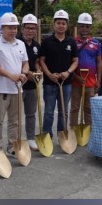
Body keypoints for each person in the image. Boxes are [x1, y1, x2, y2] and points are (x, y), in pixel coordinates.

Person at [0, 13, 29, 155]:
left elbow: (25, 64)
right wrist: (10, 75)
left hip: (17, 89)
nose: (13, 30)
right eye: (9, 27)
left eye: (15, 28)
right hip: (2, 90)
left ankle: (12, 146)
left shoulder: (21, 44)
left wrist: (23, 73)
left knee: (15, 121)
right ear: (2, 28)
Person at [38, 10, 78, 142]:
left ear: (67, 26)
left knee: (63, 112)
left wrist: (67, 72)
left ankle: (62, 135)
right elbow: (41, 60)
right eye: (58, 23)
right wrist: (49, 74)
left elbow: (75, 61)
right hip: (50, 83)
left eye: (63, 23)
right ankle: (47, 136)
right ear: (54, 25)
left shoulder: (71, 42)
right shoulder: (47, 41)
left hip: (65, 83)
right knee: (49, 112)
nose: (61, 25)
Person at [71, 13, 101, 131]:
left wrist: (98, 81)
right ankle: (73, 131)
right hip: (75, 82)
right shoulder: (72, 42)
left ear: (90, 28)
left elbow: (99, 62)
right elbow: (69, 62)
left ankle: (89, 131)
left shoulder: (96, 43)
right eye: (82, 26)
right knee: (74, 108)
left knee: (88, 108)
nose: (85, 29)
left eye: (87, 26)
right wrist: (74, 76)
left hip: (90, 83)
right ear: (78, 27)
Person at [18, 14, 42, 150]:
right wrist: (27, 73)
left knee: (31, 113)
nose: (31, 31)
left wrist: (38, 71)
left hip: (32, 85)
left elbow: (37, 62)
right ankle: (16, 139)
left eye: (33, 28)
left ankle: (31, 138)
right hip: (18, 84)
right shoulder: (16, 43)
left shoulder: (36, 46)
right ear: (23, 28)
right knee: (15, 115)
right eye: (28, 28)